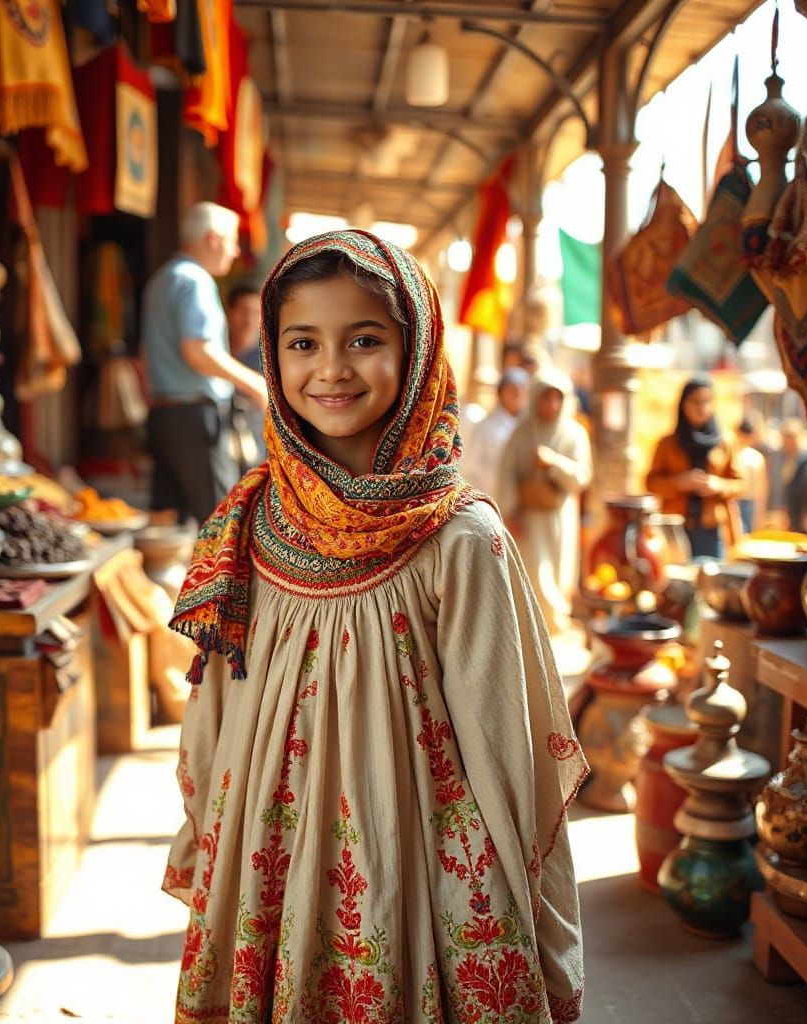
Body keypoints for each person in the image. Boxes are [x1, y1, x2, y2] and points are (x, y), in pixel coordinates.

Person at [163, 231, 586, 1022]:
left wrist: (524, 913)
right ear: (271, 355)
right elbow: (215, 708)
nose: (331, 367)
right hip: (267, 853)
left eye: (364, 339)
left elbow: (505, 743)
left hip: (414, 860)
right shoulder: (247, 523)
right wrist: (212, 840)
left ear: (418, 348)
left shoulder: (460, 539)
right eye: (303, 342)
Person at [141, 202, 268, 524]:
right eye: (231, 241)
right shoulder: (196, 280)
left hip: (163, 412)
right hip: (196, 416)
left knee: (166, 518)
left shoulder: (161, 279)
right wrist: (254, 383)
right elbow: (198, 351)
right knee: (221, 521)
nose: (235, 251)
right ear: (212, 239)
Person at [498, 369, 592, 637]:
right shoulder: (522, 433)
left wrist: (554, 464)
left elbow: (582, 477)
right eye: (545, 398)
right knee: (536, 575)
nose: (551, 406)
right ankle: (536, 631)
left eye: (557, 399)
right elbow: (506, 475)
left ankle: (555, 630)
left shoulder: (574, 434)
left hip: (561, 515)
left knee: (561, 573)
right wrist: (510, 513)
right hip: (529, 519)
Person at [646, 376, 743, 560]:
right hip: (675, 526)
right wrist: (679, 483)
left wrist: (718, 485)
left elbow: (741, 484)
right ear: (683, 404)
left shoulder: (725, 442)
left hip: (711, 529)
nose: (701, 408)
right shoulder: (667, 443)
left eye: (707, 402)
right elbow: (651, 483)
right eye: (695, 402)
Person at [461, 366, 529, 497]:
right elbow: (470, 468)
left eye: (521, 391)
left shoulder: (526, 427)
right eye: (512, 390)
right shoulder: (486, 427)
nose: (517, 395)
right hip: (491, 498)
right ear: (501, 392)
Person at [226, 282, 266, 469]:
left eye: (256, 313)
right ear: (229, 313)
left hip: (259, 448)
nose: (249, 320)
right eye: (243, 311)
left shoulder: (270, 358)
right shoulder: (215, 353)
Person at [733, 415, 768, 534]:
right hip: (744, 500)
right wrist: (760, 513)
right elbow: (761, 489)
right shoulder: (755, 457)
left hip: (744, 501)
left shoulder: (737, 454)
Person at [780, 418, 807, 533]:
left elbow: (806, 488)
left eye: (790, 437)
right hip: (792, 513)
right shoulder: (786, 457)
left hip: (804, 514)